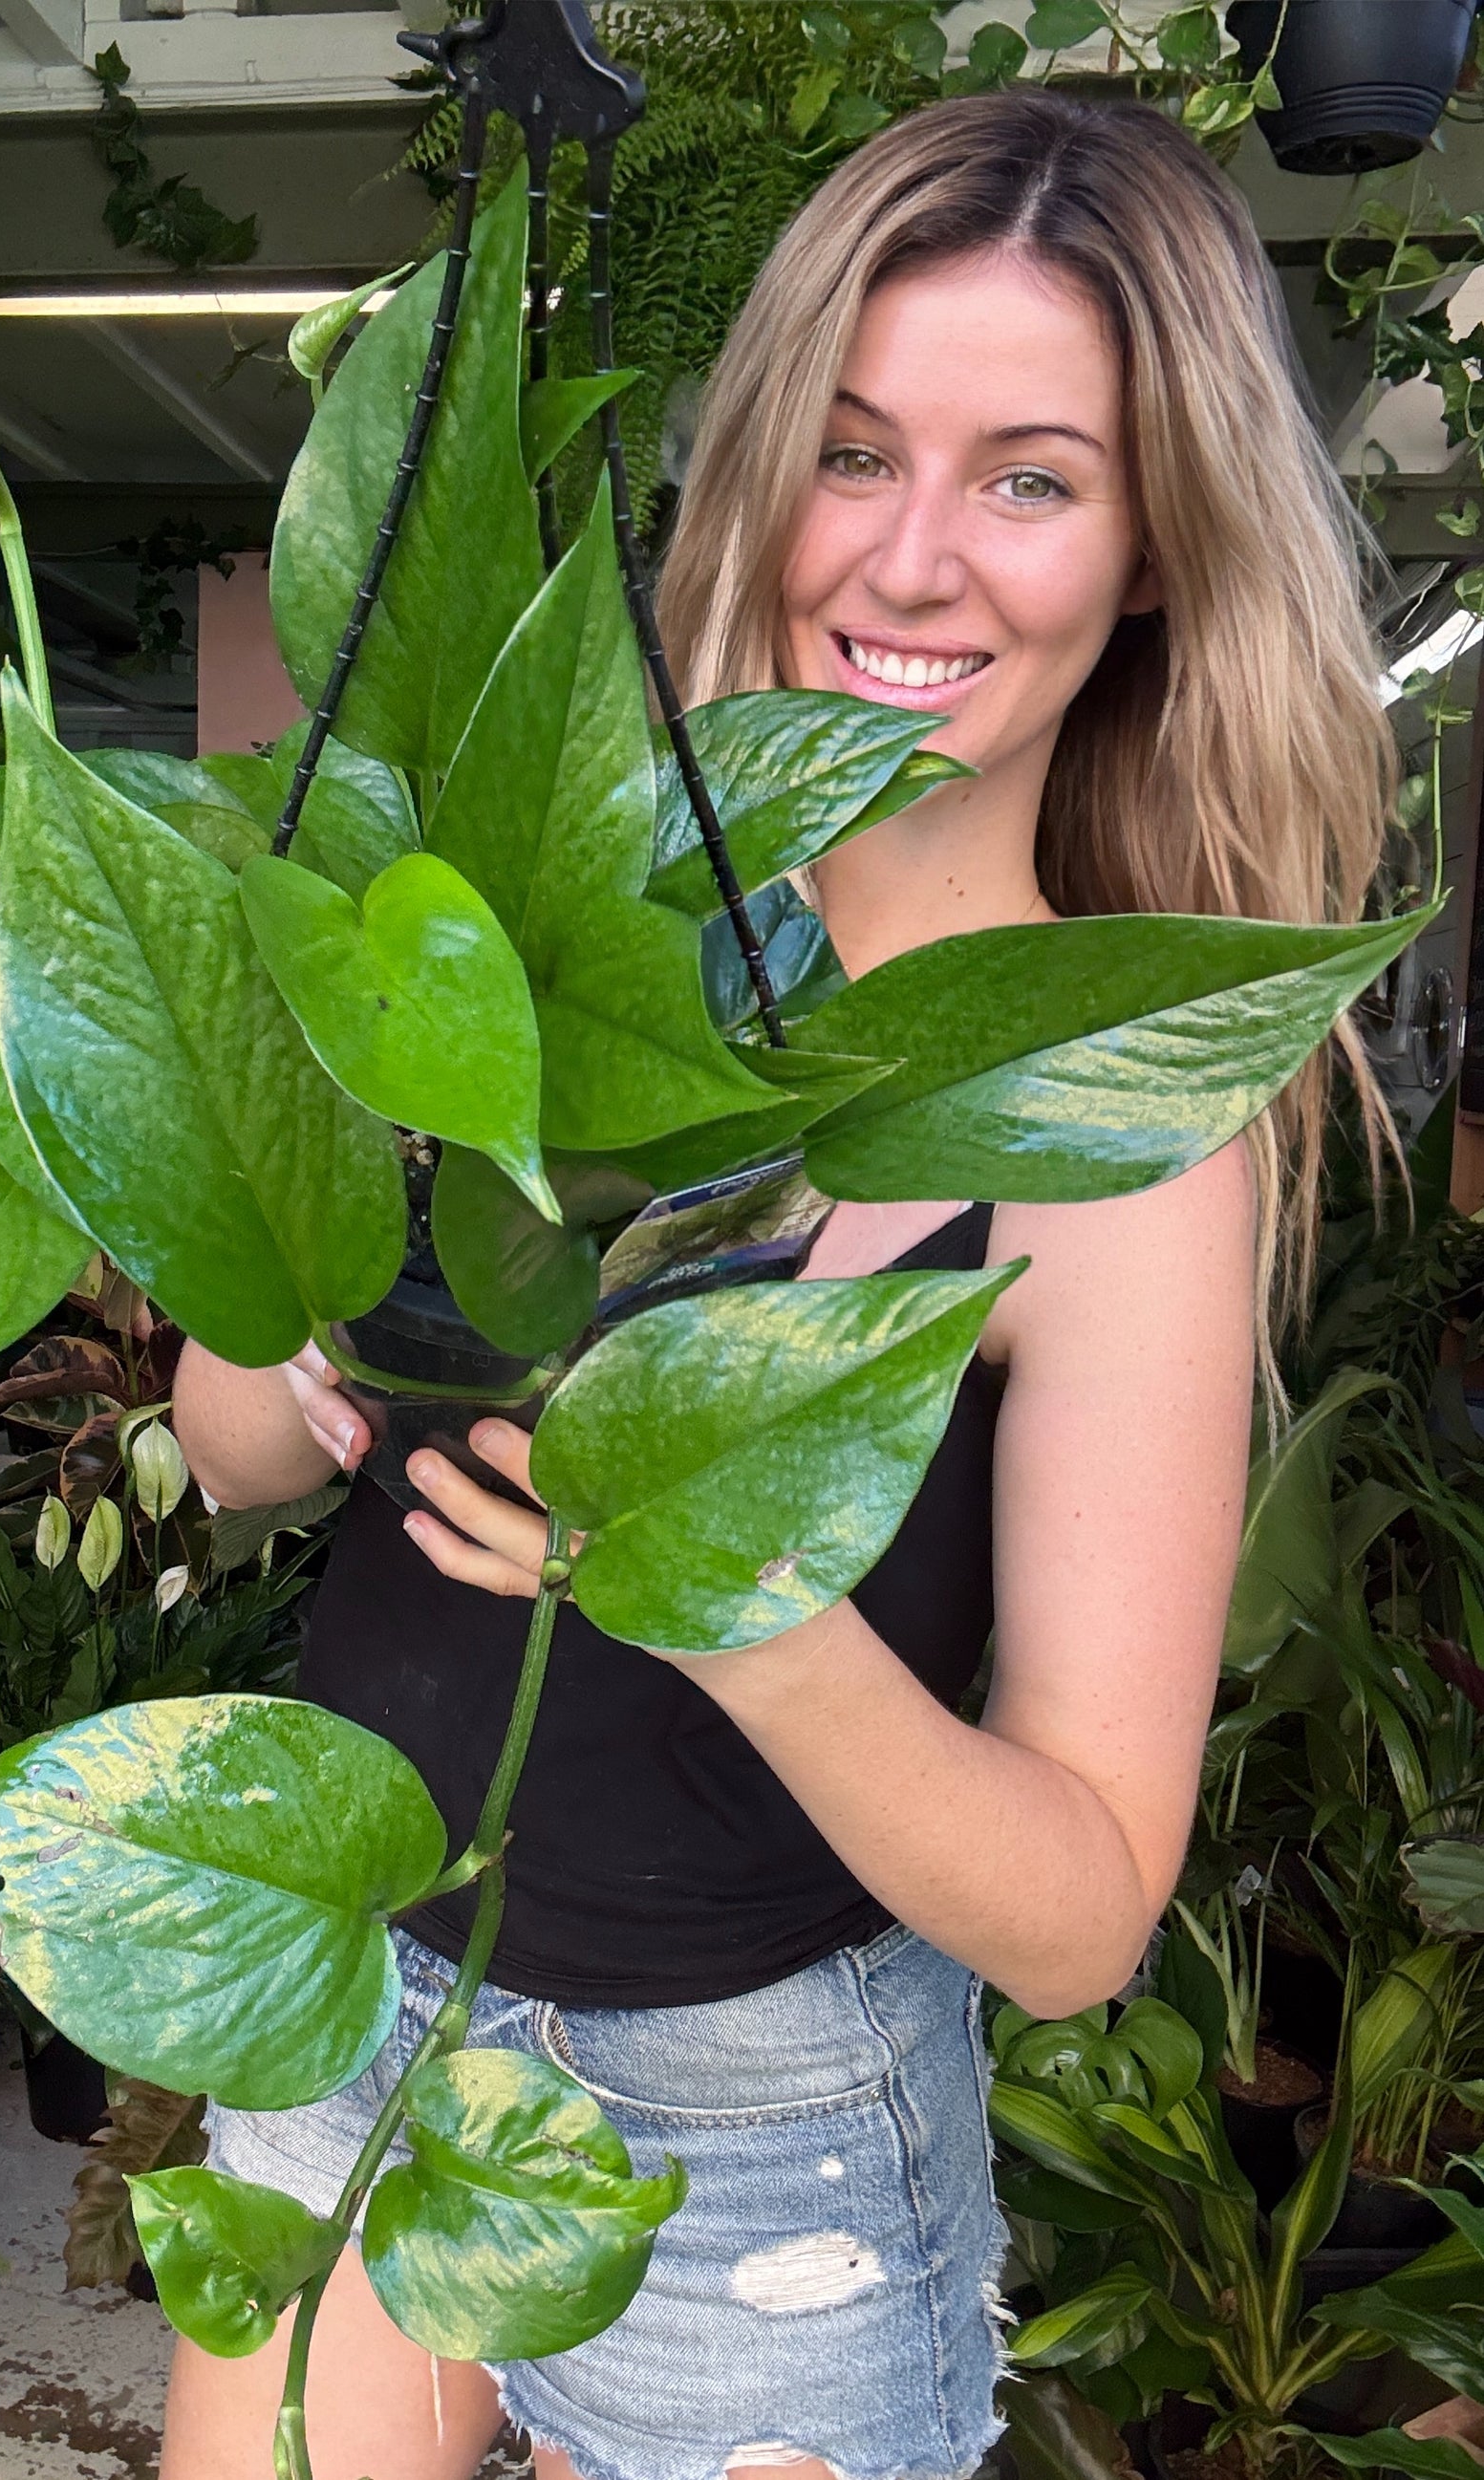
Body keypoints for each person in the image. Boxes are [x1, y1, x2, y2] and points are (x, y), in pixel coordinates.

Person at [164, 87, 1392, 2480]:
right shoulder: (535, 940)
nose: (911, 559)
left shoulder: (1110, 1134)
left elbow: (1077, 1915)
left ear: (1151, 548)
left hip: (752, 2135)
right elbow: (231, 1463)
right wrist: (277, 1243)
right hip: (353, 1995)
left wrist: (738, 1605)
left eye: (1029, 478)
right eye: (852, 452)